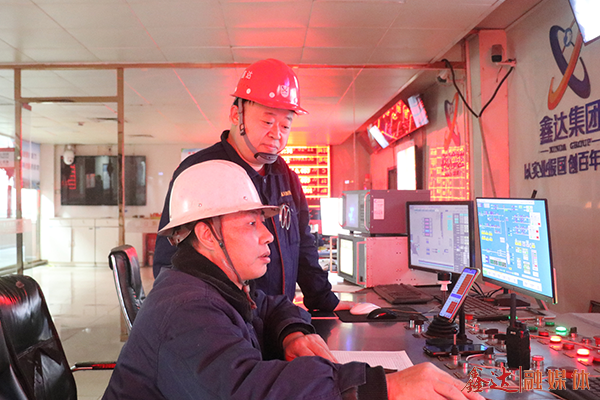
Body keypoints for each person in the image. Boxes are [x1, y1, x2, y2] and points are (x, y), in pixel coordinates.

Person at [103, 160, 484, 400]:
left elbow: (269, 306)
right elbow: (246, 390)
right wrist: (384, 386)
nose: (268, 235)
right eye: (251, 223)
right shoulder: (187, 309)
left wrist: (292, 331)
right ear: (207, 234)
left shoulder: (212, 284)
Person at [153, 58, 349, 312]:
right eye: (267, 122)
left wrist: (326, 302)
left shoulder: (284, 175)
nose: (277, 134)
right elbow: (171, 262)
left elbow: (303, 246)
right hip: (226, 321)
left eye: (286, 125)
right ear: (237, 115)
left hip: (280, 320)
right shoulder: (201, 171)